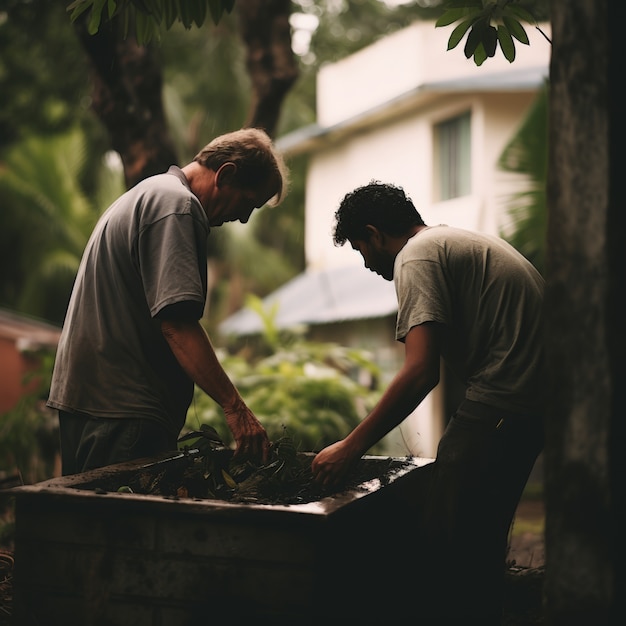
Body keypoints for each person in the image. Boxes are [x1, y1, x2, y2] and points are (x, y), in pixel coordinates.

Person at [311, 181, 545, 623]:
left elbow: (420, 372)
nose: (366, 263)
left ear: (376, 233)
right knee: (479, 529)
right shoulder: (453, 240)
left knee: (449, 530)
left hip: (507, 393)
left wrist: (350, 446)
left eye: (362, 249)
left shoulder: (414, 257)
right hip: (536, 394)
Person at [48, 128, 289, 476]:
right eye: (248, 201)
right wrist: (235, 408)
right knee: (124, 527)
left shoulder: (149, 193)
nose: (244, 218)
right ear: (227, 174)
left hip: (94, 403)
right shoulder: (177, 206)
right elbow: (177, 323)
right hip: (123, 410)